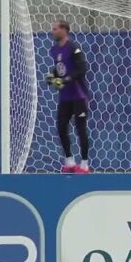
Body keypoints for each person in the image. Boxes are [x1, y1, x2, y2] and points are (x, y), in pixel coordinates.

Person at [46, 19, 91, 173]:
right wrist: (51, 77)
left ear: (64, 30)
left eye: (55, 29)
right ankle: (70, 162)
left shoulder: (73, 48)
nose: (53, 31)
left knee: (80, 129)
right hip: (65, 97)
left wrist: (66, 79)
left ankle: (84, 164)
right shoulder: (54, 50)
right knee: (61, 127)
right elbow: (59, 69)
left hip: (78, 95)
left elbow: (81, 69)